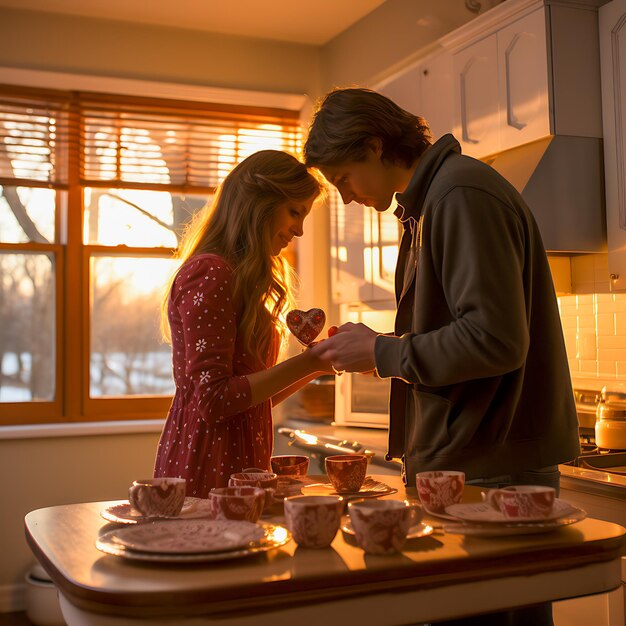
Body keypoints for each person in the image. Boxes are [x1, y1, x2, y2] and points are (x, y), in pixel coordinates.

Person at [305, 88, 579, 626]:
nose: (346, 198)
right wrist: (375, 347)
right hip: (473, 463)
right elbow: (463, 332)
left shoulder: (460, 195)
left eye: (343, 180)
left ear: (375, 146)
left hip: (490, 468)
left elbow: (495, 340)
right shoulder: (432, 202)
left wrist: (382, 352)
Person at [154, 150, 331, 498]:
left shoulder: (234, 277)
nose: (299, 229)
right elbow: (215, 401)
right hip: (207, 468)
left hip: (234, 467)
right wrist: (310, 361)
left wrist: (318, 365)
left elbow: (250, 400)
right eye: (294, 212)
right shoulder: (211, 273)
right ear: (258, 203)